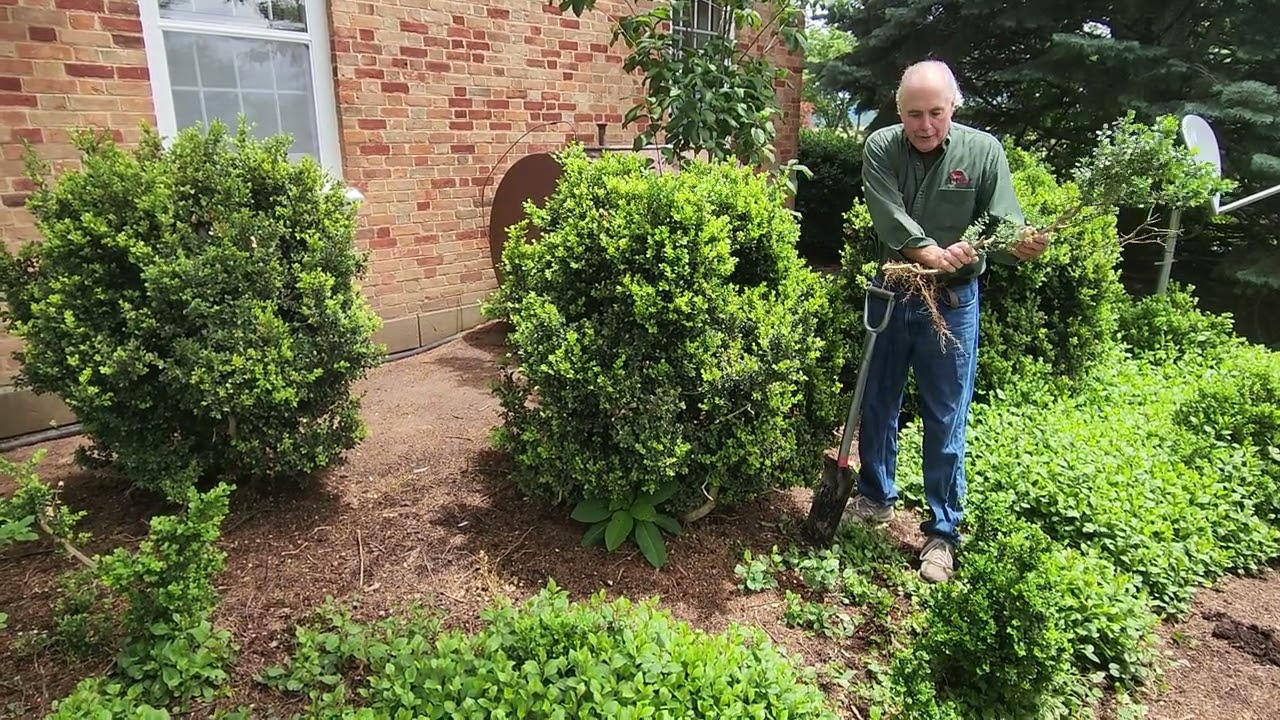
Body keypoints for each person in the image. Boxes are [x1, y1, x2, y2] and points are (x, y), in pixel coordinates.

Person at [843, 59, 1048, 583]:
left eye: (936, 112)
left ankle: (942, 533)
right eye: (915, 114)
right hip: (893, 292)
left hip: (953, 304)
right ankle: (874, 498)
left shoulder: (984, 152)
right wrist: (929, 251)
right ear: (899, 111)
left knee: (945, 417)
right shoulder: (882, 148)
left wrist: (1021, 244)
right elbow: (887, 212)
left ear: (953, 107)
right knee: (879, 401)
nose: (925, 125)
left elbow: (1005, 224)